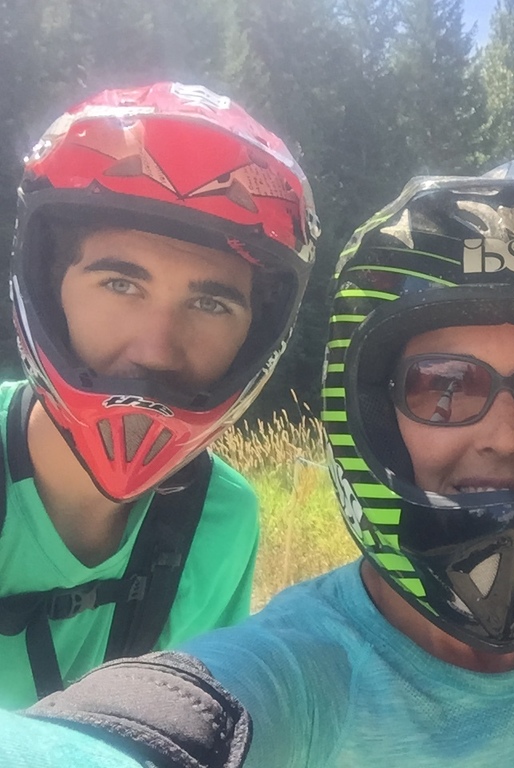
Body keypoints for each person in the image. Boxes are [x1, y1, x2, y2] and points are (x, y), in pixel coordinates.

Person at [0, 161, 514, 767]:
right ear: (375, 415)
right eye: (445, 385)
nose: (504, 435)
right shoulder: (302, 671)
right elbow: (174, 722)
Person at [0, 82, 318, 708]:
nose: (156, 350)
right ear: (48, 290)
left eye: (210, 304)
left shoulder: (219, 519)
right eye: (121, 284)